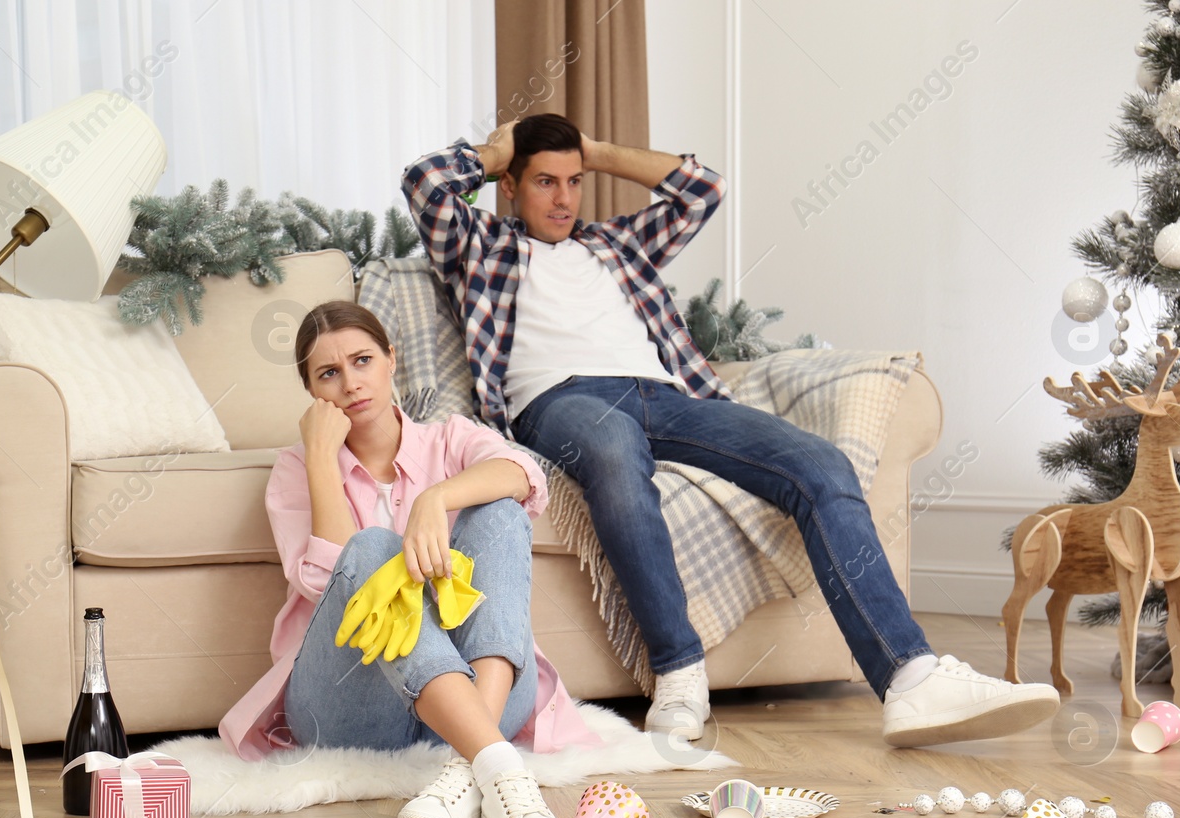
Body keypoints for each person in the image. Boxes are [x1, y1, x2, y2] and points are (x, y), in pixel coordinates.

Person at [401, 113, 1060, 748]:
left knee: (821, 465)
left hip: (668, 395)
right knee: (612, 453)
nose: (565, 197)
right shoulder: (481, 245)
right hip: (562, 403)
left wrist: (592, 148)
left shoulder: (615, 244)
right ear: (510, 187)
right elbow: (425, 183)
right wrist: (498, 151)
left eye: (574, 181)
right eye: (545, 180)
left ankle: (911, 676)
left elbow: (702, 189)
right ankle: (680, 672)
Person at [218, 300, 596, 818]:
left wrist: (435, 497)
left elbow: (525, 474)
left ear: (391, 359)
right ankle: (499, 767)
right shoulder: (296, 470)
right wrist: (322, 458)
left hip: (477, 688)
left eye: (362, 360)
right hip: (351, 705)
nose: (351, 383)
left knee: (501, 509)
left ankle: (470, 768)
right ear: (312, 393)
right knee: (371, 548)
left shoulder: (450, 439)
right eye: (329, 374)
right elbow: (328, 582)